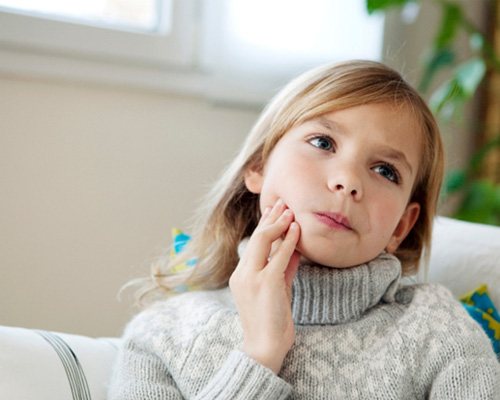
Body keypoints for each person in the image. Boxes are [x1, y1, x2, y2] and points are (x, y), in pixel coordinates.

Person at [108, 60, 500, 399]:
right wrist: (260, 355)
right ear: (259, 166)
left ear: (401, 225)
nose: (347, 181)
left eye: (385, 170)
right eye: (323, 142)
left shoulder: (437, 328)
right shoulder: (162, 334)